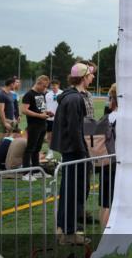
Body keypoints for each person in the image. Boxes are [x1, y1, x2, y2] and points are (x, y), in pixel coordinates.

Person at [50, 63, 95, 240]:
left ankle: (63, 227)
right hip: (75, 151)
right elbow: (76, 130)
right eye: (90, 75)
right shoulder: (75, 98)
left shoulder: (68, 96)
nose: (92, 78)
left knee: (68, 190)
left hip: (69, 150)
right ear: (83, 77)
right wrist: (83, 152)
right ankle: (69, 232)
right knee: (73, 192)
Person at [96, 84, 118, 229]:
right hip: (117, 163)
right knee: (112, 203)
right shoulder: (126, 118)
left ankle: (103, 235)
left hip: (105, 161)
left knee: (104, 203)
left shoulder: (106, 117)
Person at [21, 75, 52, 171]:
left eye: (46, 86)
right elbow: (24, 110)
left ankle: (36, 170)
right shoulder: (29, 95)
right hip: (34, 126)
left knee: (37, 149)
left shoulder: (41, 94)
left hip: (43, 125)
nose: (45, 88)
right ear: (38, 83)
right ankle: (25, 173)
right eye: (44, 86)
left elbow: (41, 109)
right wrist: (40, 116)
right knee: (30, 149)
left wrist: (47, 113)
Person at [0, 76, 20, 141]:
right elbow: (1, 110)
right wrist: (5, 123)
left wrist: (15, 117)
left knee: (8, 141)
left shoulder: (10, 94)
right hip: (4, 121)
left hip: (11, 121)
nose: (16, 85)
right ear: (11, 84)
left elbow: (13, 108)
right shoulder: (1, 95)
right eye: (15, 84)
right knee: (1, 142)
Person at [44, 79, 61, 158]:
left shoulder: (62, 93)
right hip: (49, 119)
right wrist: (47, 113)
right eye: (52, 85)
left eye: (55, 85)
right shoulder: (47, 94)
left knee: (60, 136)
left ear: (58, 85)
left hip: (59, 118)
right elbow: (45, 106)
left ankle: (62, 154)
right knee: (49, 136)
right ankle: (50, 152)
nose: (54, 87)